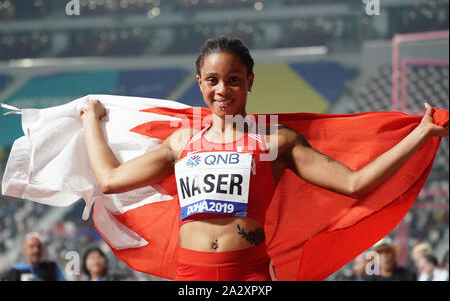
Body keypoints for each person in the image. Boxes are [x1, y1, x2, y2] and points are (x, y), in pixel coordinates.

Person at [79, 36, 448, 281]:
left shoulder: (276, 141)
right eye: (212, 80)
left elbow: (355, 183)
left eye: (234, 79)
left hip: (250, 276)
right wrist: (92, 120)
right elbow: (110, 179)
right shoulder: (181, 142)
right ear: (199, 83)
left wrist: (421, 133)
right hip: (192, 276)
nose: (222, 90)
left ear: (250, 81)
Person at [1, 232, 66, 281]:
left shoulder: (52, 267)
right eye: (32, 247)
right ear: (24, 249)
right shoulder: (16, 271)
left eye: (39, 246)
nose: (36, 250)